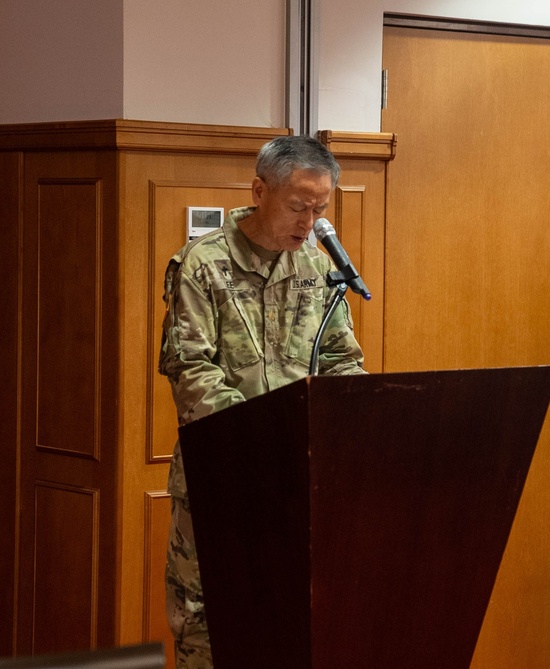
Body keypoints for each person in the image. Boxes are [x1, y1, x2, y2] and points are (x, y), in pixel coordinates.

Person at [157, 134, 366, 668]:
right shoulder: (204, 265)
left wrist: (361, 418)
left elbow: (341, 358)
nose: (309, 221)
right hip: (222, 478)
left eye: (320, 209)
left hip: (298, 485)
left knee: (290, 626)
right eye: (298, 206)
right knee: (208, 628)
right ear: (259, 191)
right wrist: (266, 434)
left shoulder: (318, 270)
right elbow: (192, 371)